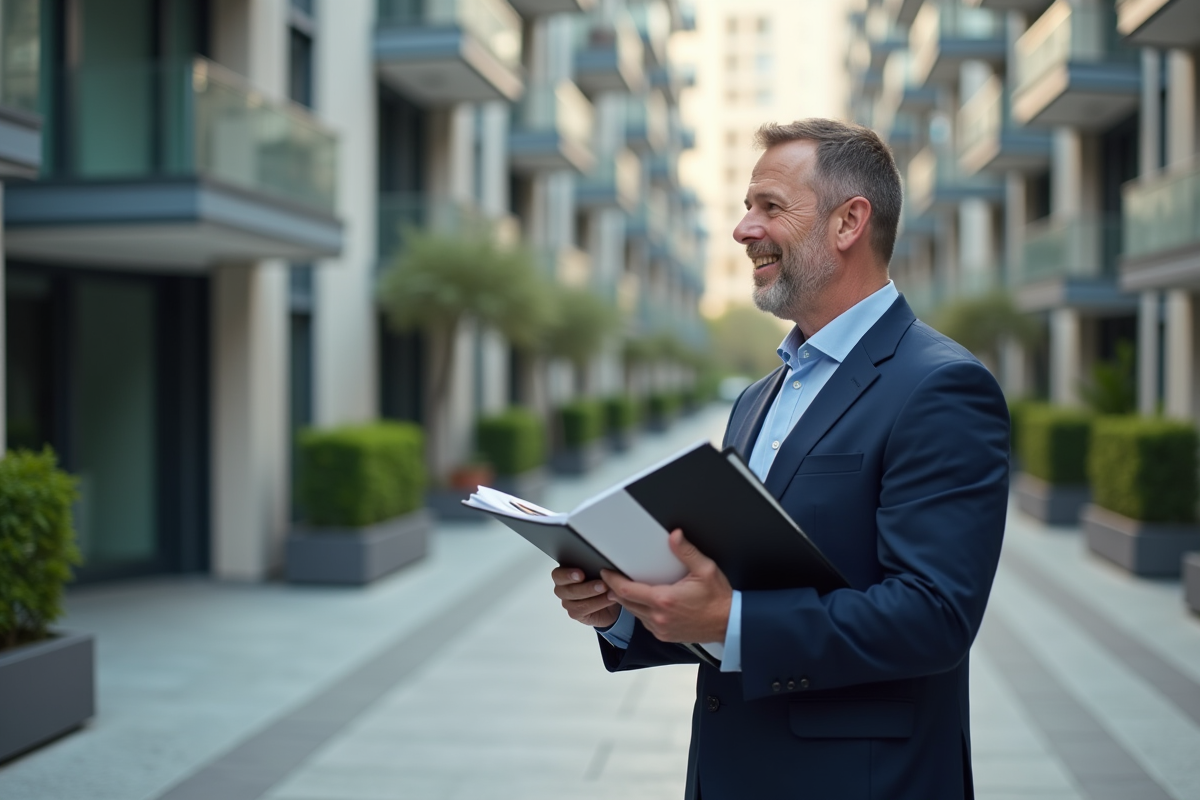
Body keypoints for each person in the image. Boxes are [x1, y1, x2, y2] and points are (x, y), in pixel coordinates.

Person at [552, 118, 1010, 799]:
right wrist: (625, 609)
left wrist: (733, 620)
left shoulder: (941, 386)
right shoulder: (758, 397)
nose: (743, 230)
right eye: (746, 207)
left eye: (769, 207)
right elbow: (731, 595)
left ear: (849, 222)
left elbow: (933, 615)